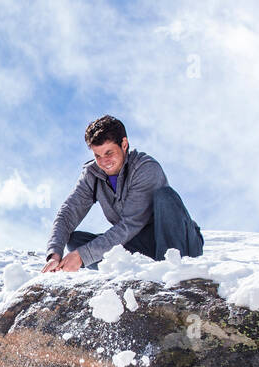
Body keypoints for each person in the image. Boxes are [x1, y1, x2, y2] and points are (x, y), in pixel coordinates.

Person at [42, 115, 203, 272]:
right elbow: (68, 213)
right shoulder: (92, 175)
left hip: (179, 242)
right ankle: (136, 272)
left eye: (109, 153)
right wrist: (54, 254)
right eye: (97, 155)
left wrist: (83, 256)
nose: (104, 162)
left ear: (124, 144)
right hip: (140, 244)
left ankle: (171, 271)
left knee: (165, 197)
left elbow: (131, 223)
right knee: (75, 241)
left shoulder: (146, 168)